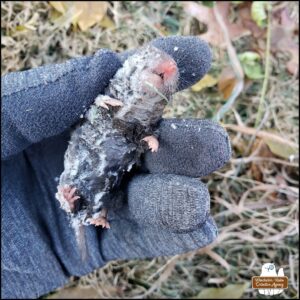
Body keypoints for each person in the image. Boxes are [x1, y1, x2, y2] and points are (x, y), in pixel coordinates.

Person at [1, 36, 231, 298]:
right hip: (89, 152)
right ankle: (81, 207)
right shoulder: (115, 94)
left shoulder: (147, 110)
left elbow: (144, 129)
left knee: (106, 186)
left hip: (113, 158)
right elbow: (95, 115)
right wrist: (101, 103)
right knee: (81, 182)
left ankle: (92, 210)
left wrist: (150, 139)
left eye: (164, 78)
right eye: (155, 72)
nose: (166, 71)